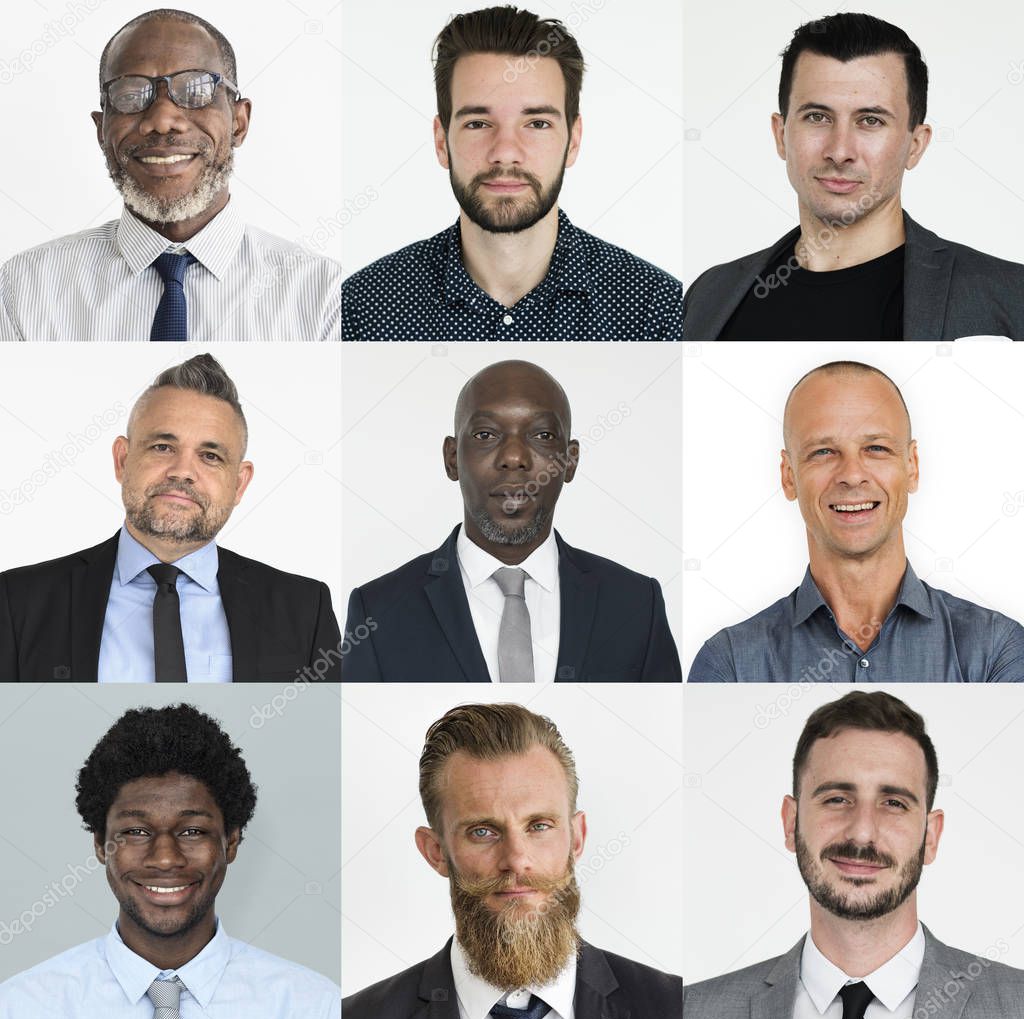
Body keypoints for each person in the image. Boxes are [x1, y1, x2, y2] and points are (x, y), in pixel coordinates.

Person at [342, 5, 682, 341]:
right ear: (441, 141)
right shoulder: (361, 308)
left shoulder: (657, 310)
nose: (505, 151)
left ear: (573, 141)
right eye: (478, 123)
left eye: (537, 123)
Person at [683, 690, 1024, 1019]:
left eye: (894, 803)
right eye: (837, 799)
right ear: (791, 823)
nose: (862, 832)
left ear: (931, 836)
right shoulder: (691, 1011)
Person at [0, 9, 341, 341]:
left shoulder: (322, 295)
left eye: (195, 90)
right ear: (101, 130)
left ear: (239, 122)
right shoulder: (26, 288)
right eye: (131, 95)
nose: (162, 120)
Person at [683, 12, 1024, 341]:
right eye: (817, 117)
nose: (840, 150)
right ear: (781, 134)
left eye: (870, 121)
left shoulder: (1010, 297)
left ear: (915, 146)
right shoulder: (709, 296)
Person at [0, 353, 341, 682]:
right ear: (122, 459)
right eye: (163, 447)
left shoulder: (304, 610)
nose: (182, 472)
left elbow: (316, 739)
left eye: (210, 455)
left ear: (239, 484)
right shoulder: (17, 602)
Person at [344, 702, 682, 1019]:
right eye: (482, 831)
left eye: (539, 826)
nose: (517, 860)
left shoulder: (678, 1009)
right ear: (435, 851)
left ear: (576, 838)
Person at [342, 359, 680, 681]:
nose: (514, 457)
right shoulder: (377, 611)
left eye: (543, 435)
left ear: (570, 461)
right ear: (451, 458)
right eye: (486, 435)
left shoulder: (637, 604)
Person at [0, 703, 340, 1019]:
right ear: (101, 844)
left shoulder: (312, 1008)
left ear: (231, 842)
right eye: (136, 831)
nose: (165, 858)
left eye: (192, 831)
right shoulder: (22, 1008)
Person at [688, 361, 1024, 681]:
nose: (851, 475)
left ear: (912, 467)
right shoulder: (729, 663)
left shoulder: (997, 649)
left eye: (876, 448)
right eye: (823, 452)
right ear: (788, 476)